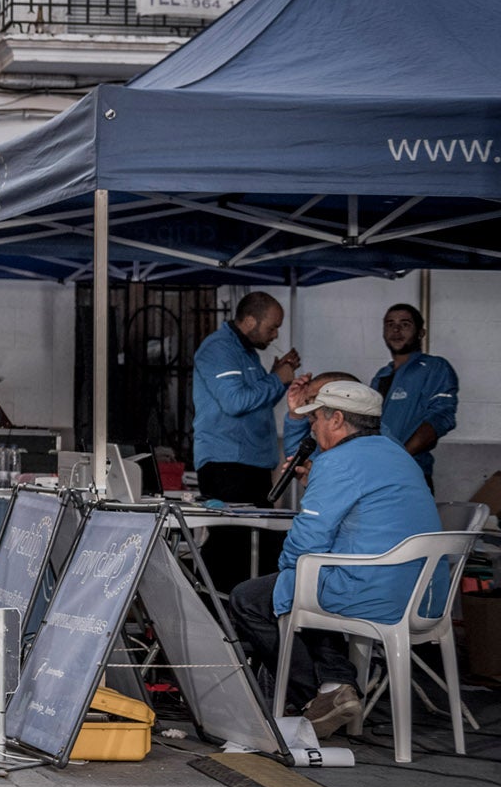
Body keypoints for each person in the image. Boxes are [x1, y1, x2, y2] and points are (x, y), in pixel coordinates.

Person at [229, 378, 443, 738]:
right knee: (306, 582)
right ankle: (334, 683)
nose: (312, 426)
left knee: (251, 598)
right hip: (425, 593)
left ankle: (318, 696)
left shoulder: (337, 461)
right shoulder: (397, 454)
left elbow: (307, 541)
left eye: (316, 419)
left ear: (337, 419)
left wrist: (287, 577)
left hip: (376, 593)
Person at [191, 291, 299, 587]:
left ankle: (246, 616)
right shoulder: (218, 349)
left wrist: (279, 377)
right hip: (227, 465)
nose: (275, 335)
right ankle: (211, 615)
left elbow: (256, 402)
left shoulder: (247, 352)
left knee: (263, 547)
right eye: (272, 327)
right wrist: (277, 378)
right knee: (231, 547)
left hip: (252, 464)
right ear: (250, 321)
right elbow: (235, 402)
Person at [372, 304, 458, 489]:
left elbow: (441, 418)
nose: (396, 330)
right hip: (376, 475)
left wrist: (400, 457)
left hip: (410, 475)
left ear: (421, 333)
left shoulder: (434, 367)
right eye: (390, 324)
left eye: (405, 324)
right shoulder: (381, 376)